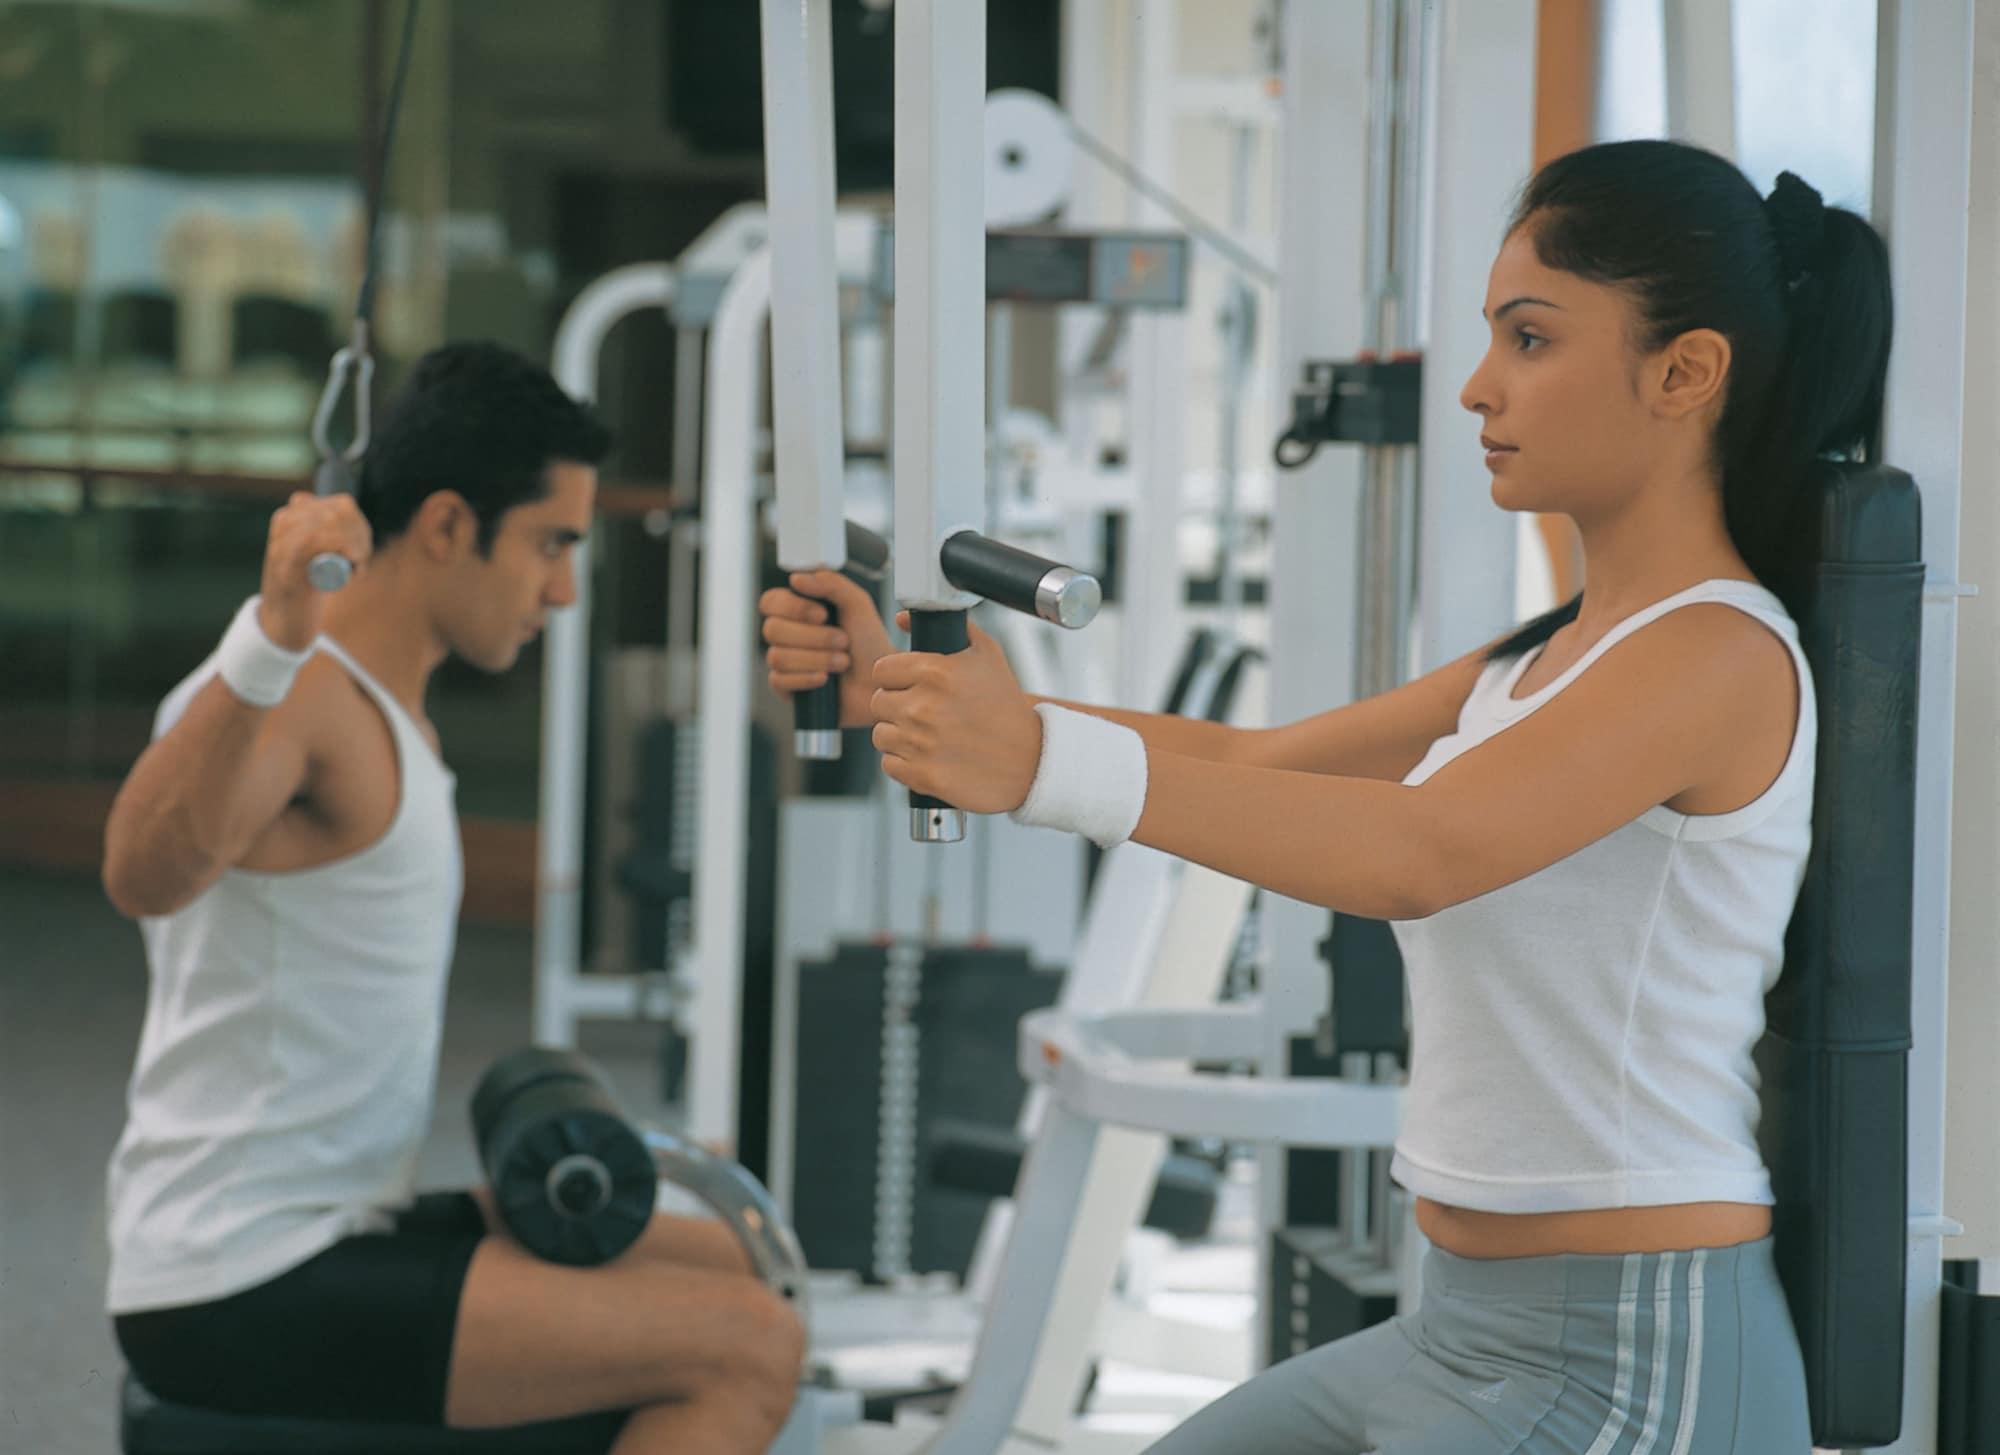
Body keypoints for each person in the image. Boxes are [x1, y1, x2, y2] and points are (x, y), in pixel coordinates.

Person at [759, 140, 1893, 1453]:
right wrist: (902, 695)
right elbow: (1253, 764)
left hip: (1637, 1356)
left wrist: (1034, 763)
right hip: (1455, 1327)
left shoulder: (1718, 654)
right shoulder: (1550, 656)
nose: (1478, 387)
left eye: (1531, 339)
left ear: (1684, 372)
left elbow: (1420, 847)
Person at [102, 342, 804, 1455]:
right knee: (743, 1350)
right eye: (549, 545)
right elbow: (142, 873)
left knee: (733, 1254)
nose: (564, 591)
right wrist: (271, 636)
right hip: (238, 1274)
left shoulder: (382, 709)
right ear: (443, 526)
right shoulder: (296, 695)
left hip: (339, 1223)